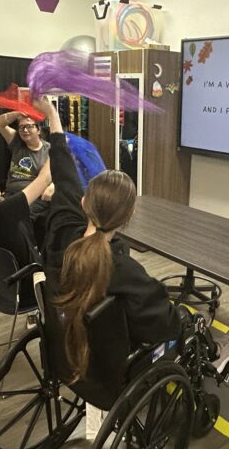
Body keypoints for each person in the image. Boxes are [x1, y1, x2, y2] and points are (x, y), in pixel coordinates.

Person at [32, 96, 181, 380]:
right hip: (108, 372)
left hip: (63, 355)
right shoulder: (124, 269)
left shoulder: (64, 229)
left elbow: (63, 169)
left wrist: (52, 114)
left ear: (84, 201)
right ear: (128, 216)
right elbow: (163, 323)